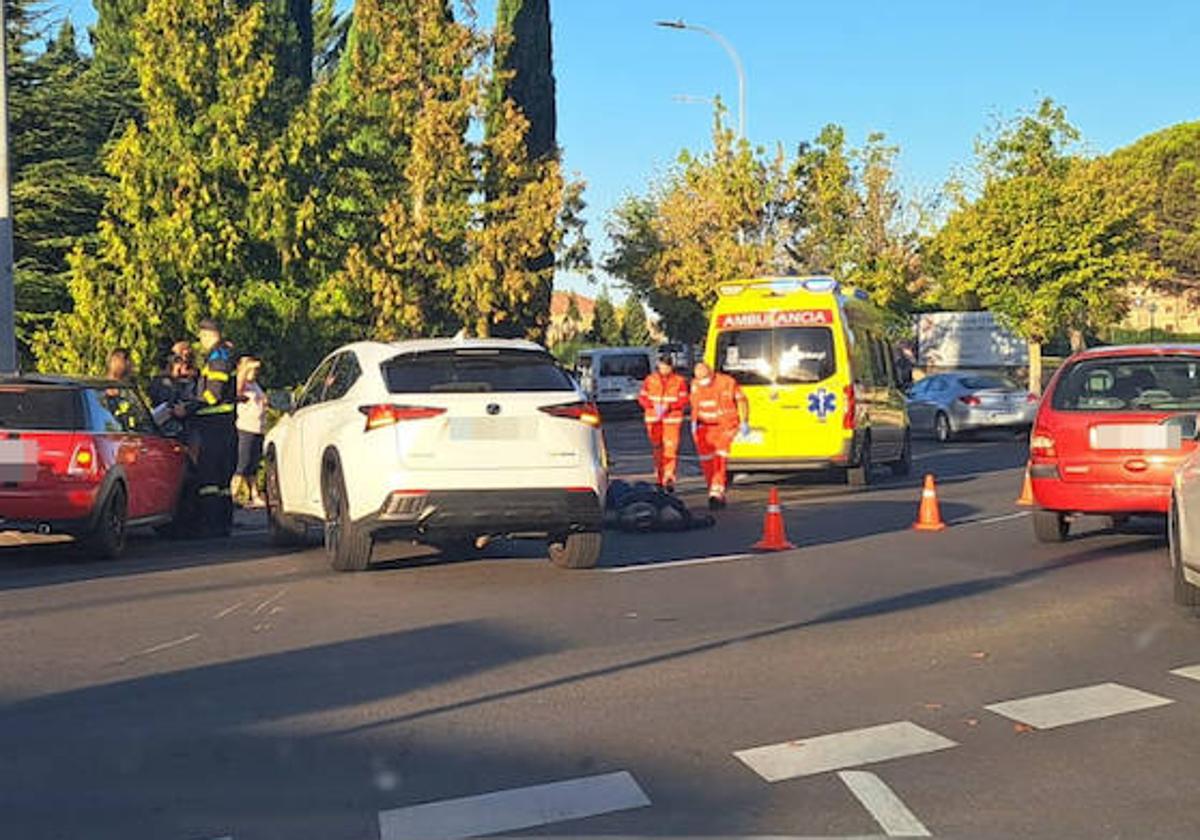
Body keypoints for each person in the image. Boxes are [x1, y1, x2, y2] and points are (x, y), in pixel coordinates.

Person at [185, 319, 238, 537]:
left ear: (208, 334)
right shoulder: (224, 354)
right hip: (223, 425)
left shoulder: (217, 358)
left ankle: (211, 524)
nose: (200, 341)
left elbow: (213, 395)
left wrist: (190, 407)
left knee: (209, 478)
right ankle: (223, 523)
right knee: (223, 480)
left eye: (201, 337)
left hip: (213, 426)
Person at [689, 361, 750, 510]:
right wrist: (694, 422)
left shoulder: (727, 382)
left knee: (719, 458)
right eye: (699, 379)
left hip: (725, 426)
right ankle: (714, 490)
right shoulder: (695, 384)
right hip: (704, 427)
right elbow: (695, 404)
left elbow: (741, 400)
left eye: (704, 379)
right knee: (706, 461)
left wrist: (744, 421)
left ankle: (716, 492)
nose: (703, 383)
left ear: (711, 373)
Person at [637, 353, 689, 492]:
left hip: (671, 419)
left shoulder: (679, 381)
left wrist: (670, 407)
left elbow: (684, 400)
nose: (664, 368)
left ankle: (669, 477)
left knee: (670, 449)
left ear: (671, 367)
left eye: (666, 366)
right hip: (653, 419)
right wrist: (651, 405)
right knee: (657, 449)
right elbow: (642, 398)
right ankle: (660, 478)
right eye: (662, 366)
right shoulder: (650, 380)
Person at [232, 354, 267, 508]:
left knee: (253, 464)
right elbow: (238, 389)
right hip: (246, 428)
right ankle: (233, 493)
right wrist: (245, 367)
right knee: (242, 463)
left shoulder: (255, 385)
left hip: (258, 428)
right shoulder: (242, 383)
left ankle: (254, 494)